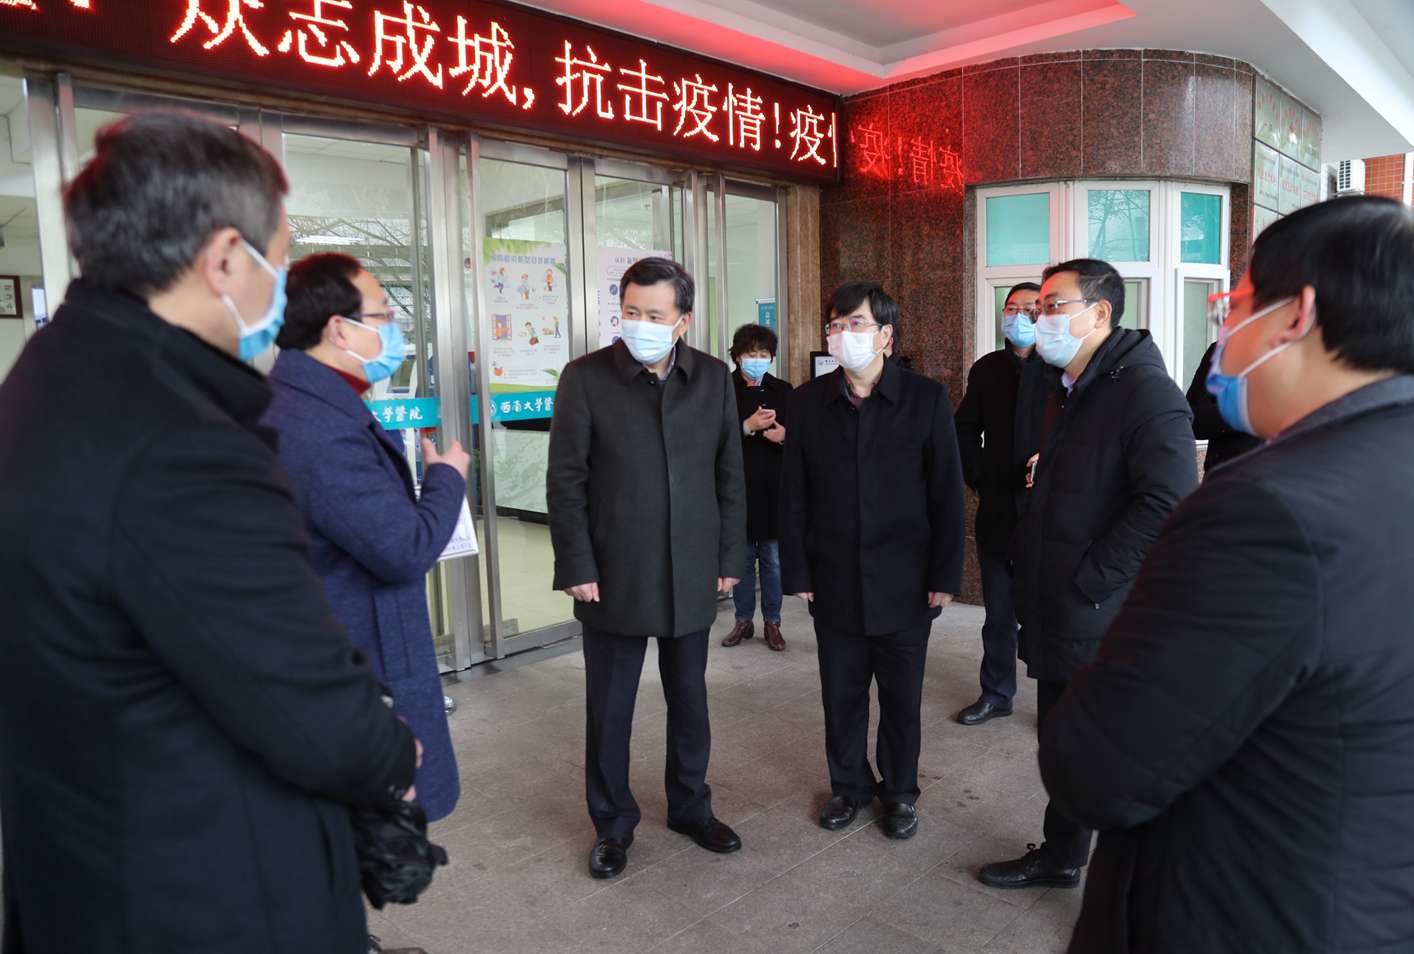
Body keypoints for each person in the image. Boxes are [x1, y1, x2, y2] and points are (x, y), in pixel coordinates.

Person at [0, 111, 417, 954]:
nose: (282, 289)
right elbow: (312, 714)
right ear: (226, 257)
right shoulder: (181, 439)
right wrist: (392, 751)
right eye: (279, 258)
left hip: (80, 856)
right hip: (197, 887)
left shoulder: (51, 372)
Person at [1040, 196, 1414, 952]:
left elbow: (1099, 767)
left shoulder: (1266, 510)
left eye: (1233, 306)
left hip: (1243, 908)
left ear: (1296, 314)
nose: (1224, 335)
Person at [978, 258, 1197, 889]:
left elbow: (1169, 501)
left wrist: (1092, 577)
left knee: (1093, 745)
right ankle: (1065, 854)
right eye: (1034, 307)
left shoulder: (1144, 392)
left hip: (1098, 607)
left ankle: (1118, 874)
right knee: (1066, 741)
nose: (1036, 318)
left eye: (1052, 305)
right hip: (1062, 600)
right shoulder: (1070, 387)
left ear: (1099, 312)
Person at [547, 256, 747, 880]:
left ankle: (690, 807)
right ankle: (612, 824)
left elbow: (729, 477)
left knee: (690, 699)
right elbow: (566, 481)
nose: (640, 324)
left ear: (683, 320)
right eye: (631, 311)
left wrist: (729, 556)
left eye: (655, 315)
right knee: (610, 708)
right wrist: (576, 562)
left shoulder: (712, 378)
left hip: (691, 568)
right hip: (612, 571)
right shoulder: (585, 378)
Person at [262, 252, 469, 823]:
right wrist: (447, 479)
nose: (393, 331)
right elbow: (402, 550)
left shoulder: (308, 401)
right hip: (360, 661)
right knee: (375, 826)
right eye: (383, 316)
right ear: (338, 329)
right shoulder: (315, 427)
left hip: (345, 648)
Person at [780, 281, 965, 840]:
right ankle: (849, 787)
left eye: (856, 324)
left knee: (902, 699)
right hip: (834, 577)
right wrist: (799, 571)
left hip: (906, 580)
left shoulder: (926, 399)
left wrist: (945, 574)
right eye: (835, 325)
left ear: (886, 335)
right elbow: (794, 495)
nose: (843, 334)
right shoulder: (808, 403)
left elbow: (947, 494)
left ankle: (900, 793)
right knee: (841, 695)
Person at [953, 281, 1041, 726]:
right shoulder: (987, 369)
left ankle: (1060, 700)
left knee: (1048, 613)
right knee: (999, 613)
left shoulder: (1065, 367)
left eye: (1031, 308)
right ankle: (997, 692)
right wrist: (977, 474)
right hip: (999, 507)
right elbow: (965, 427)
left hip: (1048, 512)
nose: (1020, 316)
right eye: (1012, 308)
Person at [722, 323, 792, 652]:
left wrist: (785, 436)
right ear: (737, 356)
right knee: (742, 561)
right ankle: (743, 620)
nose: (758, 359)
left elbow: (803, 440)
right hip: (737, 490)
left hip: (773, 490)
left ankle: (773, 622)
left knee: (773, 562)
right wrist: (746, 427)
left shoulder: (784, 390)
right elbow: (711, 439)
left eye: (764, 354)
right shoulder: (724, 390)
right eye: (751, 354)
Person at [1186, 340, 1262, 476]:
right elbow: (1193, 420)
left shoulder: (1295, 355)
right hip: (1226, 475)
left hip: (1281, 477)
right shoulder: (1222, 352)